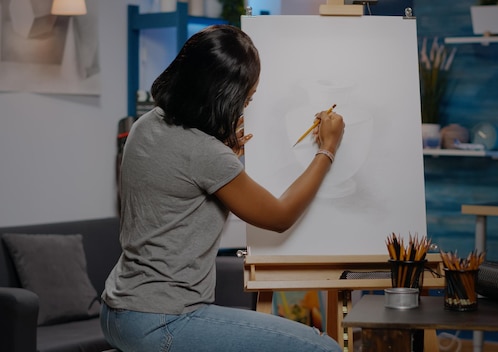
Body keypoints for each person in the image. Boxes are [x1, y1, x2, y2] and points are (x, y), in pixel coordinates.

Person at [100, 25, 345, 352]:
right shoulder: (204, 152)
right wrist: (327, 150)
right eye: (247, 97)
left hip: (117, 311)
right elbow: (280, 216)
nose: (245, 106)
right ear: (222, 95)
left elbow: (176, 189)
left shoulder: (146, 124)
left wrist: (223, 152)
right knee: (323, 348)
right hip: (163, 319)